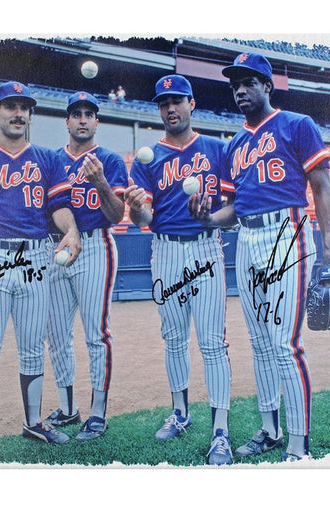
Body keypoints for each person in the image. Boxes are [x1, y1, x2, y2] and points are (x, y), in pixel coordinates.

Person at [190, 52, 330, 462]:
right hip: (248, 240)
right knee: (259, 343)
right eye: (235, 83)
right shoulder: (234, 145)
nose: (240, 89)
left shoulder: (297, 125)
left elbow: (322, 188)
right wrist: (207, 218)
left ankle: (298, 446)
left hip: (286, 234)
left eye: (249, 82)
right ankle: (270, 429)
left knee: (285, 344)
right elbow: (231, 210)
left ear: (267, 86)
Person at [0, 81, 82, 461]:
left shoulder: (47, 158)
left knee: (32, 350)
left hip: (37, 259)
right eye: (10, 106)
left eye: (24, 107)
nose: (18, 113)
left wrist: (70, 229)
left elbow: (58, 208)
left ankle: (34, 421)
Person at [124, 75, 233, 465]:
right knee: (173, 338)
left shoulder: (217, 150)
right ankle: (181, 412)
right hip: (166, 251)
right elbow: (143, 219)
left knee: (212, 343)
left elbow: (234, 210)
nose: (170, 108)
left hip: (205, 250)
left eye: (177, 100)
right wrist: (136, 207)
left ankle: (220, 429)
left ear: (191, 103)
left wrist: (211, 218)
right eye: (163, 103)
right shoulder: (148, 157)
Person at [45, 91, 128, 441]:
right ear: (66, 121)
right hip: (57, 249)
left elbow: (117, 215)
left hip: (96, 247)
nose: (82, 119)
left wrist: (101, 183)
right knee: (57, 335)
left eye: (88, 113)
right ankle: (68, 408)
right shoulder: (51, 161)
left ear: (97, 121)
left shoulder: (110, 160)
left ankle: (97, 413)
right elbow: (48, 209)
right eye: (76, 113)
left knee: (96, 334)